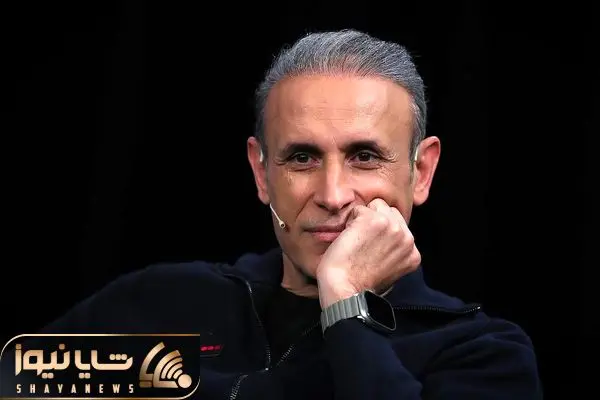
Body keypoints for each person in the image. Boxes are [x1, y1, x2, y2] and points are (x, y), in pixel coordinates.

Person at [13, 29, 542, 399]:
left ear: (420, 172)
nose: (333, 194)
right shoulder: (163, 302)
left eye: (364, 156)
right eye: (302, 158)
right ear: (261, 172)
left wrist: (347, 303)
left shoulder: (480, 351)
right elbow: (20, 385)